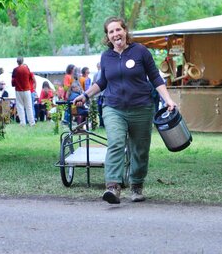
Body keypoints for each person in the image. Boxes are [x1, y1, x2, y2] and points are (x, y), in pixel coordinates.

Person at [73, 16, 177, 204]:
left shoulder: (140, 51)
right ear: (108, 36)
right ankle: (113, 187)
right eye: (111, 32)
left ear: (125, 31)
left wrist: (168, 100)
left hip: (142, 108)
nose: (115, 34)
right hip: (114, 108)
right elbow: (102, 82)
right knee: (116, 143)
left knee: (139, 149)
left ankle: (136, 186)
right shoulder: (106, 57)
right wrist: (86, 95)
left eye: (118, 30)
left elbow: (155, 78)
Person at [11, 56, 35, 126]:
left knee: (20, 106)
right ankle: (32, 122)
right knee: (29, 106)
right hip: (27, 90)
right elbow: (31, 78)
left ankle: (22, 122)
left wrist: (14, 84)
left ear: (17, 62)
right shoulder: (27, 69)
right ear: (23, 61)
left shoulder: (15, 70)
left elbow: (13, 81)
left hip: (18, 90)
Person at [92, 62, 104, 127]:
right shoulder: (97, 73)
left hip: (102, 95)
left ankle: (102, 124)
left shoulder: (99, 73)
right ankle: (101, 123)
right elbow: (95, 83)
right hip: (100, 95)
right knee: (100, 110)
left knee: (101, 110)